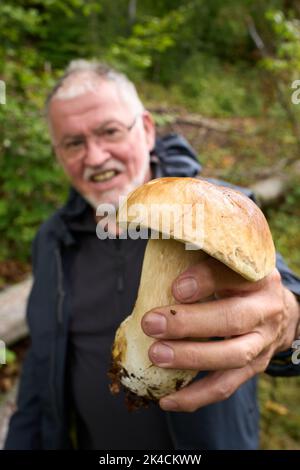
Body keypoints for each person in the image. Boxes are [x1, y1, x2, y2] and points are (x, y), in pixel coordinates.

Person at [5, 60, 300, 450]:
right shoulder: (52, 241)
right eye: (73, 143)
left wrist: (287, 325)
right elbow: (40, 371)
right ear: (58, 153)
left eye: (109, 131)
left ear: (145, 129)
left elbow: (288, 313)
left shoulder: (226, 212)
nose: (94, 157)